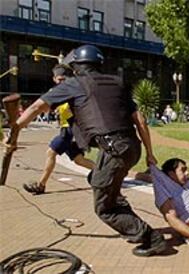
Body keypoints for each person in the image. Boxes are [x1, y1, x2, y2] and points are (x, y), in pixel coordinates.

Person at [5, 45, 167, 256]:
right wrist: (150, 152)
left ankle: (150, 238)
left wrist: (16, 128)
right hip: (130, 148)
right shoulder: (116, 83)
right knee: (100, 183)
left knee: (104, 207)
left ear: (76, 67)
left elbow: (36, 107)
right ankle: (132, 224)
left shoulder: (75, 83)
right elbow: (141, 121)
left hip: (114, 149)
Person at [23, 64, 96, 195]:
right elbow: (45, 107)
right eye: (59, 79)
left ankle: (41, 184)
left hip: (70, 129)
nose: (61, 82)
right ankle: (102, 172)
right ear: (54, 79)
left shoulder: (71, 90)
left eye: (64, 79)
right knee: (79, 160)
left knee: (51, 153)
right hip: (67, 128)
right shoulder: (59, 92)